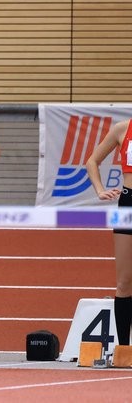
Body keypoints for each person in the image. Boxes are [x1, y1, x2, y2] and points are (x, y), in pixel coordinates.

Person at [86, 118, 132, 351]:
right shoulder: (122, 129)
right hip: (128, 203)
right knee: (124, 282)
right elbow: (92, 161)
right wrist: (100, 189)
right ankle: (124, 349)